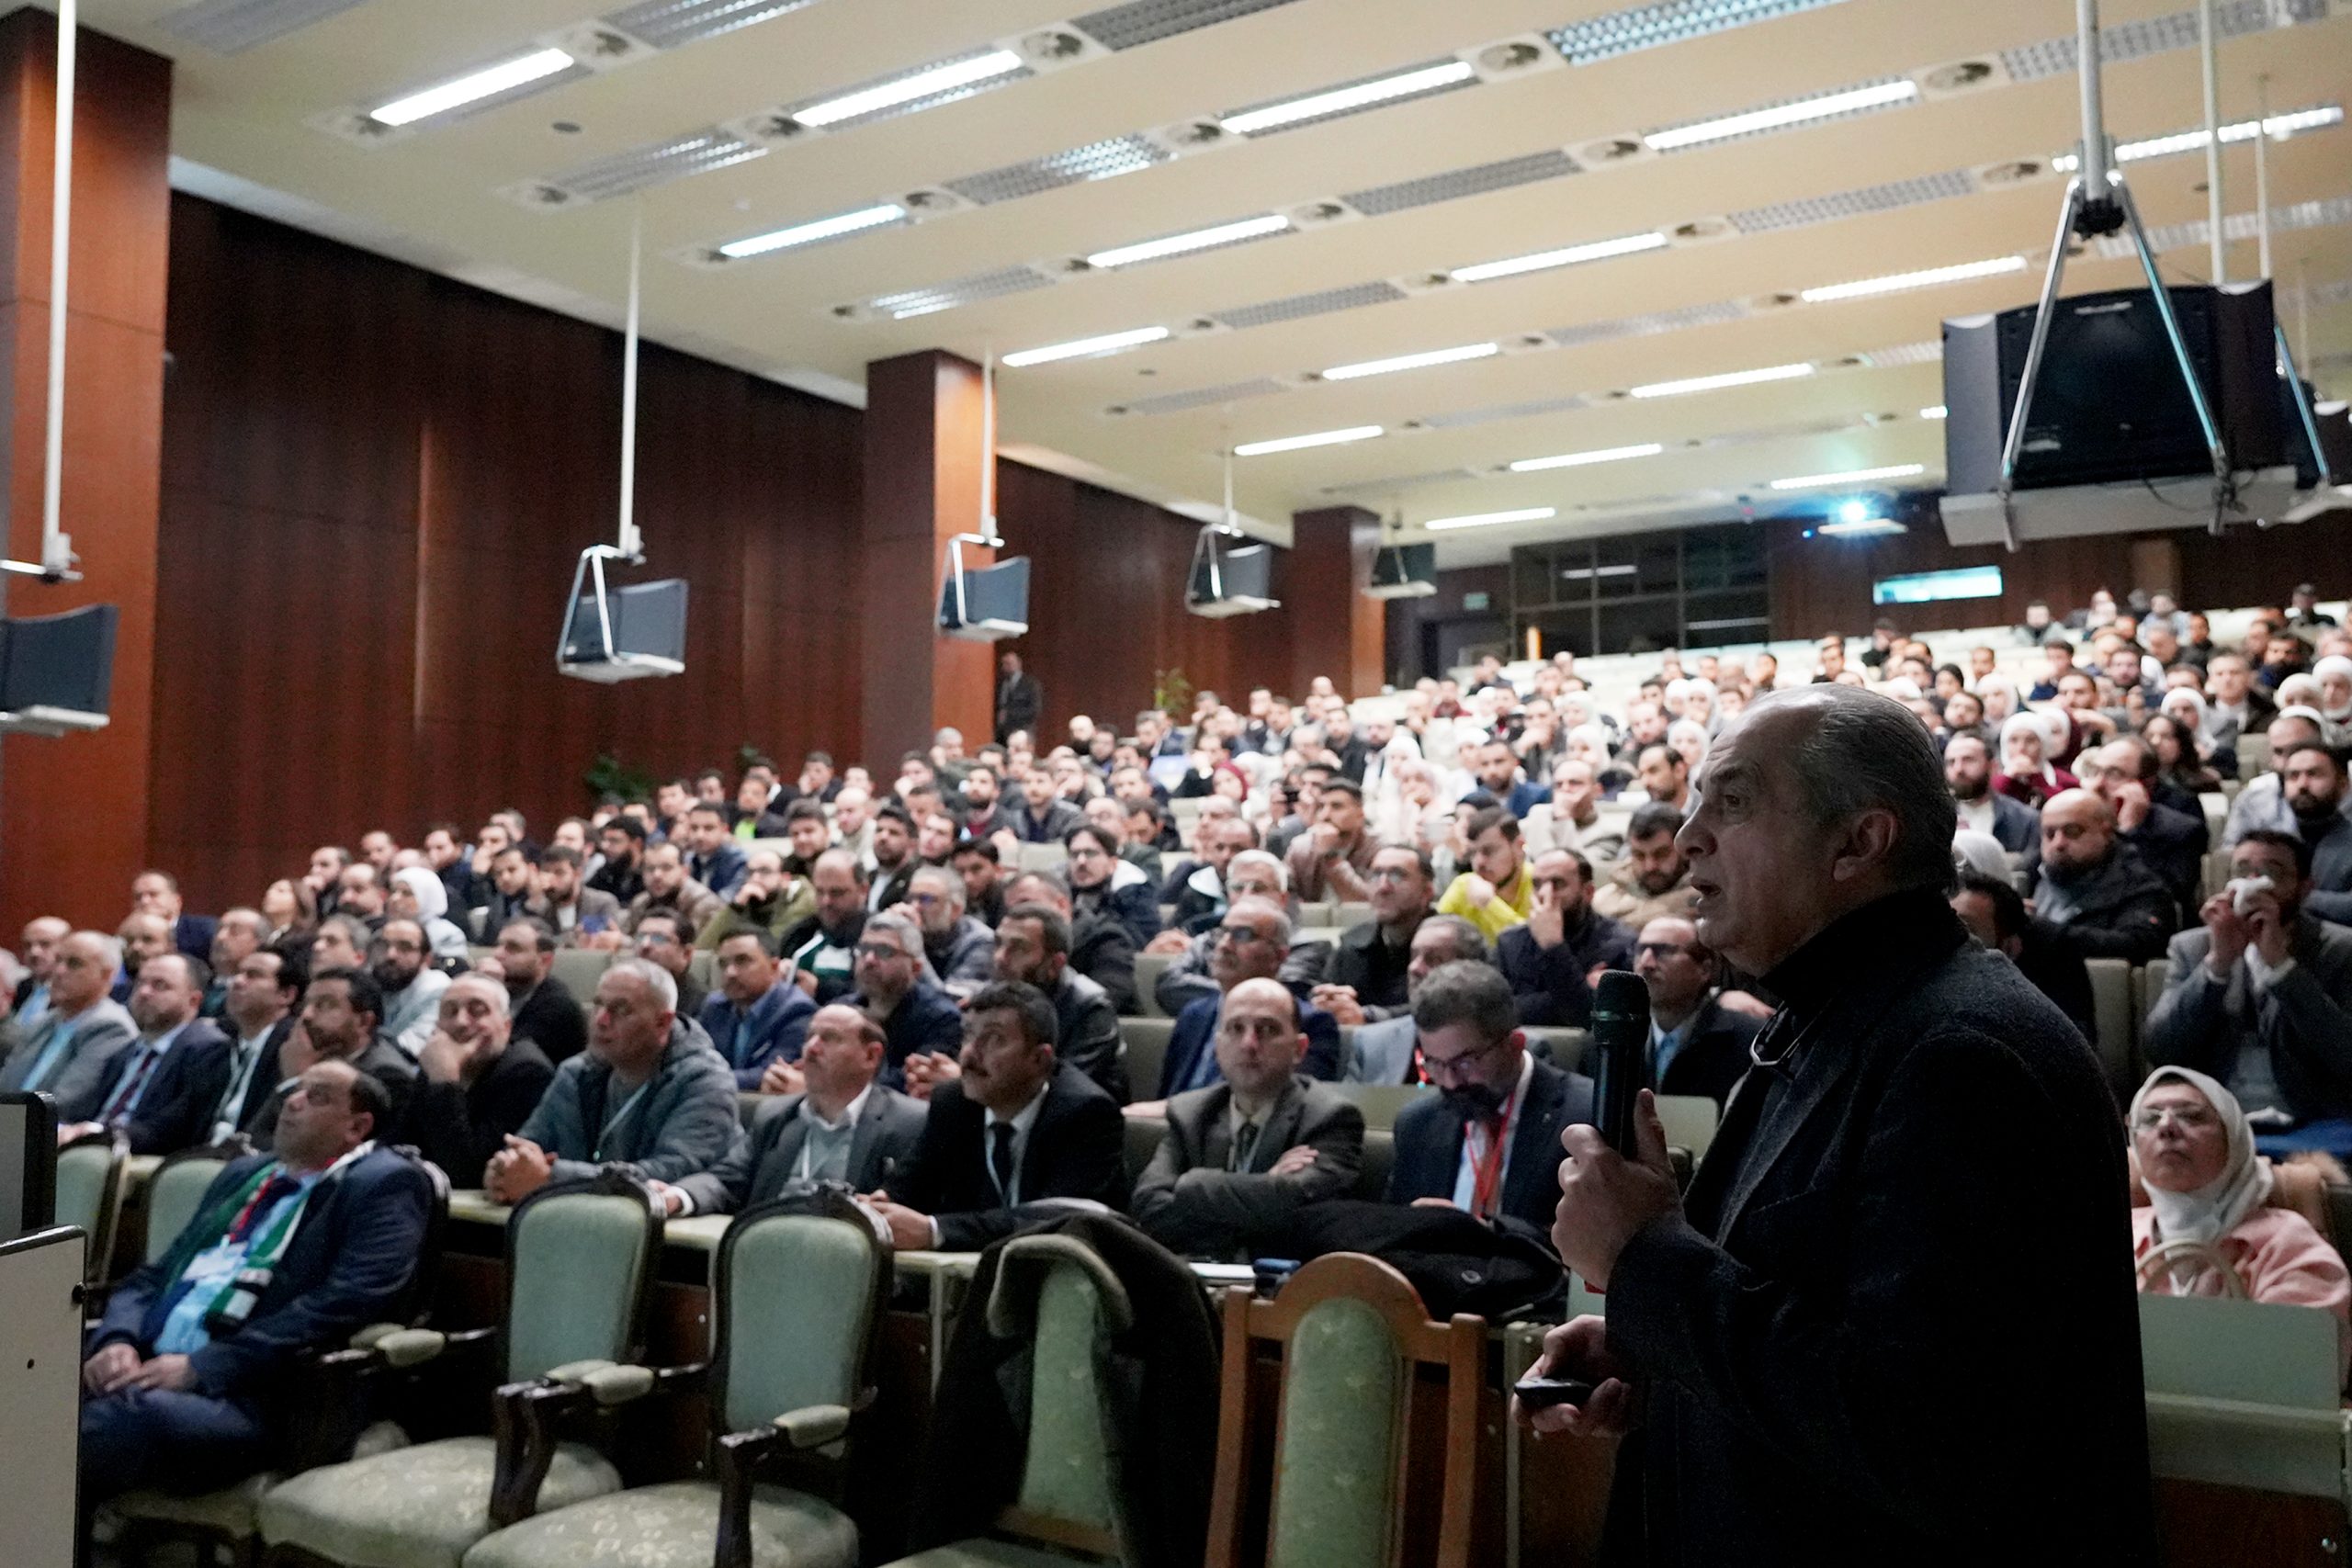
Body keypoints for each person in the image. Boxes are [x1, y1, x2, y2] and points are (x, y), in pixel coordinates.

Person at [1532, 683, 2154, 1565]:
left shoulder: (1963, 1054)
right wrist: (1654, 1351)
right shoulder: (1828, 1016)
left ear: (1858, 842)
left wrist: (1645, 1261)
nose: (1688, 834)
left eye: (1733, 801)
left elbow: (1927, 1438)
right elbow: (1809, 1315)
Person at [78, 1062, 432, 1502]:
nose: (292, 1102)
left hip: (254, 1395)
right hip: (148, 1364)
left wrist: (205, 1367)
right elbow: (155, 1275)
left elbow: (343, 1303)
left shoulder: (384, 1183)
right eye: (295, 1090)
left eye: (317, 1097)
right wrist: (117, 1339)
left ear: (356, 1127)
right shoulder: (246, 1175)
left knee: (108, 1422)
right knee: (32, 1383)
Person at [870, 982, 1128, 1250]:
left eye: (994, 1039)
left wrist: (936, 1231)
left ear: (1039, 1059)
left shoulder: (1086, 1114)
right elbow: (911, 1186)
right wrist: (879, 1206)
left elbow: (1058, 1221)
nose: (970, 1053)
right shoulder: (954, 1102)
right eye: (969, 1035)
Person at [2129, 1066, 2350, 1377]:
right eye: (2150, 1119)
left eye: (2192, 1116)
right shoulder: (2111, 1234)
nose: (2166, 1127)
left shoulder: (2287, 1243)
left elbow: (2299, 1375)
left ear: (2233, 1139)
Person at [2144, 829, 2352, 1141]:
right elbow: (2161, 1048)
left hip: (2313, 1121)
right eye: (2242, 871)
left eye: (2272, 873)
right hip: (2212, 1123)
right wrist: (2217, 965)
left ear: (2304, 888)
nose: (2253, 883)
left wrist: (2282, 969)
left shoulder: (2340, 950)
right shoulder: (2193, 947)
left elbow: (2346, 1056)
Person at [1133, 977, 1364, 1258]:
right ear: (1218, 1047)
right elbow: (1149, 1206)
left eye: (1267, 1030)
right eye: (1236, 1028)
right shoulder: (1190, 1113)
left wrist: (1191, 1184)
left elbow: (1302, 1215)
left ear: (1299, 1049)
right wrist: (1268, 1185)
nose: (1249, 1043)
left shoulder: (1330, 1118)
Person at [486, 957, 741, 1201]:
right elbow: (527, 1145)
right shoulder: (576, 1072)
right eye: (598, 1005)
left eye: (621, 1010)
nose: (601, 1020)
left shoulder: (705, 1081)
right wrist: (504, 1169)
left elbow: (672, 1172)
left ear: (662, 1023)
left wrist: (552, 1177)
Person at [658, 1004, 928, 1216]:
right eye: (810, 1037)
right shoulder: (775, 1115)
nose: (811, 1048)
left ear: (870, 1056)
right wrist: (678, 1197)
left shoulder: (909, 1123)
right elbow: (725, 1181)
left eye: (829, 1038)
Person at [1385, 960, 1595, 1234]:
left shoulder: (1584, 1116)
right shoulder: (1416, 1124)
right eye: (1434, 1063)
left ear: (1515, 1045)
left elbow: (1597, 1238)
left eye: (1465, 1062)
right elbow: (1391, 1228)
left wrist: (1485, 1231)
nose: (1450, 1082)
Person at [1158, 898, 1342, 1097]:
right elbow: (1166, 1092)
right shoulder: (1195, 1014)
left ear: (1279, 956)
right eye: (1222, 932)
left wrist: (1172, 1108)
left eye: (1243, 935)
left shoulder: (1311, 1023)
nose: (1224, 945)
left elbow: (1288, 1105)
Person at [63, 953, 232, 1156]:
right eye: (140, 983)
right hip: (91, 1150)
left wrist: (101, 1134)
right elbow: (85, 1110)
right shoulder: (124, 1052)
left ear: (193, 1000)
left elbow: (176, 1130)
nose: (143, 992)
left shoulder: (206, 1049)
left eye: (160, 985)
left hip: (138, 1157)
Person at [966, 902, 1125, 1101]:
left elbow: (1067, 1088)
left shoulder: (1091, 1007)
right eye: (998, 944)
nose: (1000, 958)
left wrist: (966, 1077)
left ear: (1055, 964)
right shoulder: (992, 998)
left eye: (1019, 948)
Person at [406, 974, 555, 1184]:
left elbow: (467, 1171)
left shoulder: (527, 1072)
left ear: (506, 1026)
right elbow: (401, 1140)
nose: (460, 1022)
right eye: (450, 1012)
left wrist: (446, 1082)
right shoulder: (438, 1060)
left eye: (477, 1011)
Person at [1, 931, 139, 1121]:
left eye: (74, 964)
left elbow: (66, 1102)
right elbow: (6, 1081)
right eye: (58, 960)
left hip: (47, 1131)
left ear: (107, 975)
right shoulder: (44, 1021)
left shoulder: (111, 1027)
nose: (58, 971)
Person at [1949, 869, 2097, 1043]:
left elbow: (2075, 1041)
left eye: (1966, 928)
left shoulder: (2054, 951)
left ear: (2010, 946)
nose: (1949, 936)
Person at [2030, 791, 2176, 964]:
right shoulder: (2033, 873)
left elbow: (2137, 945)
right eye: (2050, 833)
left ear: (2106, 833)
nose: (2058, 843)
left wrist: (2042, 931)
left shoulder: (2142, 887)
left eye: (2073, 831)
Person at [1497, 848, 1636, 1028]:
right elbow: (1497, 1015)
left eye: (1558, 884)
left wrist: (1553, 946)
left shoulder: (1620, 944)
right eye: (1537, 884)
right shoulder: (1509, 943)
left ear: (1588, 892)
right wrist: (1581, 988)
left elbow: (1591, 1018)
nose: (1544, 894)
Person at [1628, 916, 1758, 1109]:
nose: (1646, 963)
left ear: (1704, 969)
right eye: (1640, 950)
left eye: (1663, 951)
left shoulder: (1751, 1043)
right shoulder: (1607, 1041)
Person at [1344, 917, 1486, 1086]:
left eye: (1434, 959)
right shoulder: (1370, 1044)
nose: (1414, 968)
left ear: (1471, 970)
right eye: (1413, 956)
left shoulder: (1493, 1045)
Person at [1314, 844, 1434, 1024]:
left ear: (1427, 892)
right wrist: (1331, 1002)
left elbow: (1451, 1009)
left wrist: (1369, 1016)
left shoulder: (1451, 944)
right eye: (1376, 875)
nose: (1383, 887)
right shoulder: (1353, 943)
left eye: (1397, 876)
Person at [845, 910, 964, 1087]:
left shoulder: (942, 1019)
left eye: (884, 951)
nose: (869, 960)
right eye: (863, 949)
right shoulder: (842, 1009)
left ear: (915, 968)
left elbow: (912, 1083)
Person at [696, 928, 817, 1090]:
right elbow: (693, 1059)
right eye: (723, 964)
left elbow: (771, 1075)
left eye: (742, 961)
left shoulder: (797, 1011)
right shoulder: (715, 1006)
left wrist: (700, 1079)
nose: (730, 973)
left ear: (774, 967)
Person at [494, 918, 590, 1064]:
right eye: (499, 945)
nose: (498, 954)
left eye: (513, 948)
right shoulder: (506, 992)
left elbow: (503, 1059)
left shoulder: (559, 1007)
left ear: (545, 961)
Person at [1593, 803, 1700, 932]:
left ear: (1683, 849)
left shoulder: (1706, 896)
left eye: (1661, 854)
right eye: (1639, 855)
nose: (1650, 866)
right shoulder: (1602, 901)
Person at [1434, 805, 1536, 941]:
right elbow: (1433, 936)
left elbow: (1533, 944)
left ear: (1519, 846)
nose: (1478, 862)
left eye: (1489, 851)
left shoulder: (1541, 883)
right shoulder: (1464, 886)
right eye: (1472, 853)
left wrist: (1489, 904)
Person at [782, 848, 869, 1004]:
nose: (826, 901)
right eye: (820, 892)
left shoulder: (877, 938)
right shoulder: (798, 936)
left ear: (863, 890)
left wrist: (820, 989)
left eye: (837, 893)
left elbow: (879, 996)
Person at [2280, 743, 2352, 923]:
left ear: (2343, 784)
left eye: (2314, 774)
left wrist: (2293, 896)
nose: (2302, 785)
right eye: (2293, 776)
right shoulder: (2268, 842)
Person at [1065, 823, 1160, 950]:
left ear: (1113, 863)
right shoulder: (1059, 890)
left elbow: (1138, 940)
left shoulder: (1136, 890)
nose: (1081, 861)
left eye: (1090, 853)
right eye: (1074, 854)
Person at [1283, 778, 1377, 903]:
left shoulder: (1377, 850)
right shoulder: (1301, 848)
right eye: (1321, 807)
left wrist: (1332, 858)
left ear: (1360, 815)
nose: (1325, 815)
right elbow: (1284, 895)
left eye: (1336, 807)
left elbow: (1368, 903)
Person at [1944, 733, 2039, 856]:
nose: (1959, 769)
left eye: (1968, 760)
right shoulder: (1936, 817)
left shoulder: (2024, 820)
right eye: (1951, 762)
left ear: (1992, 767)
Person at [368, 918, 449, 1057]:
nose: (390, 955)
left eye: (405, 947)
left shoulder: (437, 989)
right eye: (383, 945)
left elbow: (412, 1049)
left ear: (426, 959)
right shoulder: (372, 982)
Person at [629, 910, 707, 1021]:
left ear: (686, 954)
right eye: (640, 937)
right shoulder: (617, 995)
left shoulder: (703, 1007)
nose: (645, 945)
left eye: (659, 938)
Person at [995, 650, 1042, 744]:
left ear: (1019, 664)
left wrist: (1010, 715)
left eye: (1010, 663)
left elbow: (1035, 709)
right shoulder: (1001, 683)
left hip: (1022, 729)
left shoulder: (1030, 684)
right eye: (1005, 664)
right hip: (1002, 731)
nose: (1007, 666)